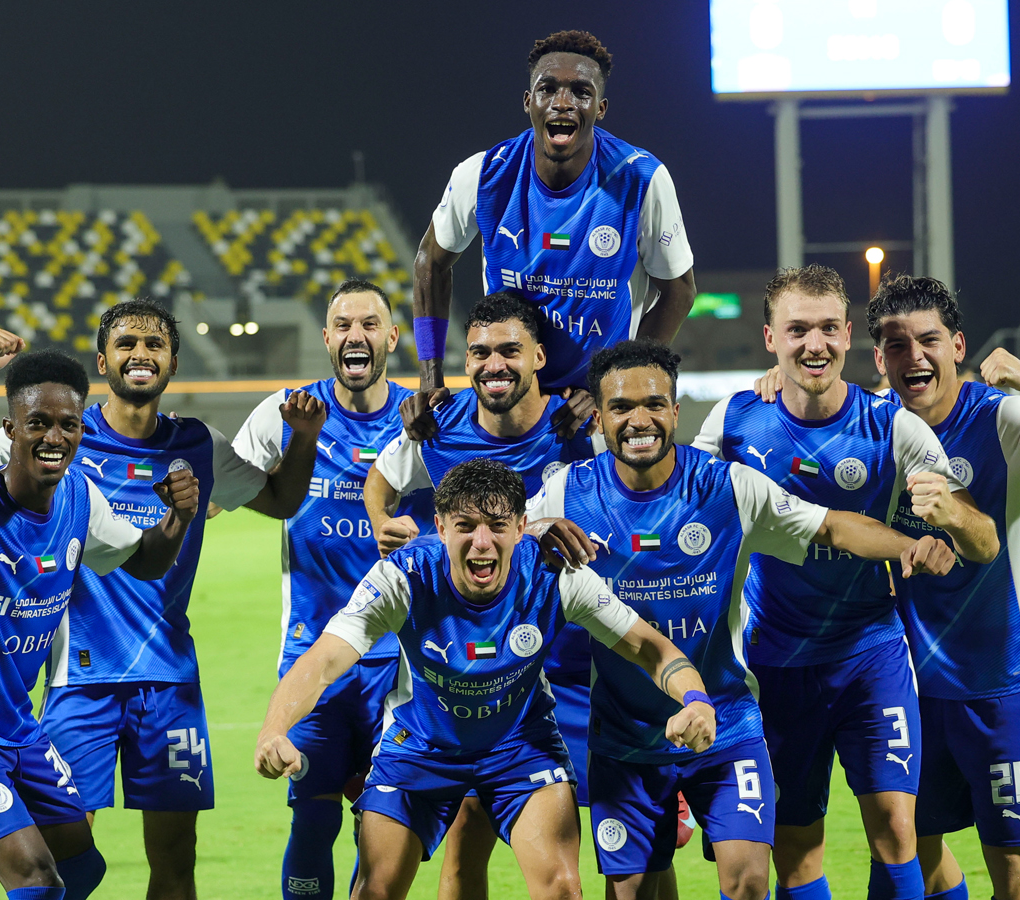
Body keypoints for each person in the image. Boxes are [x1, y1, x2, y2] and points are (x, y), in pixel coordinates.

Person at [528, 340, 957, 900]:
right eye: (621, 407)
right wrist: (535, 531)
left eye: (654, 404)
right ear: (601, 419)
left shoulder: (727, 486)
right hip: (626, 738)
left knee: (750, 880)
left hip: (727, 722)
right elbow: (503, 545)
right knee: (631, 892)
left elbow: (829, 525)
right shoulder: (566, 493)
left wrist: (909, 546)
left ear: (675, 411)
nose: (639, 420)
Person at [0, 299, 326, 899]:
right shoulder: (60, 429)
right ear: (103, 361)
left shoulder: (199, 444)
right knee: (66, 862)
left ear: (173, 362)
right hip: (78, 679)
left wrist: (304, 440)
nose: (140, 354)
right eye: (126, 343)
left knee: (176, 862)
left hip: (169, 682)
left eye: (154, 344)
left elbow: (280, 500)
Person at [256, 459, 717, 900]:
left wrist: (696, 699)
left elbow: (648, 647)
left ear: (521, 527)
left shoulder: (555, 577)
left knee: (561, 887)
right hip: (421, 746)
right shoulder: (403, 577)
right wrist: (274, 730)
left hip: (519, 747)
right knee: (375, 890)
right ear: (440, 528)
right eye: (465, 526)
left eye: (497, 526)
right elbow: (323, 660)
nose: (482, 542)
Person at [692, 266, 1000, 900]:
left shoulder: (893, 425)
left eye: (829, 328)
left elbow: (983, 540)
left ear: (849, 334)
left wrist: (945, 523)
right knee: (796, 849)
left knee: (898, 831)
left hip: (870, 653)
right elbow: (686, 504)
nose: (816, 344)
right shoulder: (734, 420)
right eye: (798, 330)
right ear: (771, 338)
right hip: (776, 660)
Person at [0, 349, 200, 900]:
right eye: (38, 424)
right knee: (36, 877)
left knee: (82, 868)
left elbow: (145, 562)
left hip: (15, 722)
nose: (55, 437)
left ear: (80, 431)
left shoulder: (78, 497)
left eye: (68, 425)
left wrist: (178, 517)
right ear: (11, 430)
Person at [867, 276, 1020, 900]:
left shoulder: (1002, 418)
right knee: (915, 849)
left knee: (1011, 862)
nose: (914, 356)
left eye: (929, 340)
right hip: (908, 686)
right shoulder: (871, 425)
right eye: (897, 345)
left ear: (958, 346)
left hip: (1000, 682)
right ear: (879, 358)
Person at [363, 291, 596, 899]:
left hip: (573, 658)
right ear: (465, 360)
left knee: (634, 841)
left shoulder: (576, 424)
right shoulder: (439, 423)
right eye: (481, 353)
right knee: (469, 836)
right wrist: (382, 521)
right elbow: (380, 480)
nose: (494, 365)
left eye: (509, 351)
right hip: (476, 660)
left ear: (539, 357)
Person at [405, 28, 696, 441]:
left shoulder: (641, 178)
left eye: (581, 91)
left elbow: (679, 291)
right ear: (529, 102)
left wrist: (614, 382)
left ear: (600, 108)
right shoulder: (483, 174)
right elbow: (429, 262)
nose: (562, 102)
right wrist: (431, 377)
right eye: (548, 89)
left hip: (592, 414)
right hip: (508, 398)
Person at [230, 278, 413, 900]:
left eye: (369, 324)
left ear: (392, 337)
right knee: (312, 819)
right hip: (313, 659)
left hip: (402, 666)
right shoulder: (286, 413)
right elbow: (223, 492)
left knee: (383, 825)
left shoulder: (423, 421)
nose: (355, 335)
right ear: (328, 338)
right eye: (343, 325)